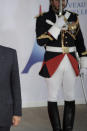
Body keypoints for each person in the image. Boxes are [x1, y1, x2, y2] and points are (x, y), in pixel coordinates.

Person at [36, 0, 87, 131]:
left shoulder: (73, 17)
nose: (61, 2)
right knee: (52, 96)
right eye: (57, 0)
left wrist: (84, 64)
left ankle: (68, 128)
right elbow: (41, 41)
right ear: (51, 1)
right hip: (53, 60)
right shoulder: (43, 18)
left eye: (63, 0)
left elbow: (80, 42)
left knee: (70, 96)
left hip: (70, 61)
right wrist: (56, 27)